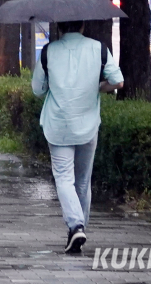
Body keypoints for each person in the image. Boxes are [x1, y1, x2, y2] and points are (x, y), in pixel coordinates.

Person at [31, 21, 124, 254]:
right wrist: (96, 87)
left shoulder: (48, 51)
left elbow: (37, 90)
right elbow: (118, 81)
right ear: (83, 26)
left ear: (60, 28)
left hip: (59, 125)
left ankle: (76, 226)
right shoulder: (99, 48)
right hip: (88, 125)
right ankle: (79, 228)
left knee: (64, 178)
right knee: (82, 181)